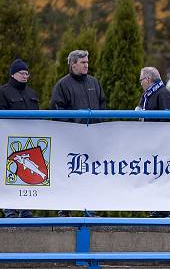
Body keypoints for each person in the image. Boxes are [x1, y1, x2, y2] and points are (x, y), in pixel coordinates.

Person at [51, 50, 106, 217]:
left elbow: (102, 105)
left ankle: (89, 208)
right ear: (73, 64)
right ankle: (64, 209)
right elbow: (57, 111)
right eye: (83, 62)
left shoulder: (94, 83)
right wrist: (71, 130)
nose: (86, 65)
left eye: (87, 62)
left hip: (92, 138)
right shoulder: (62, 85)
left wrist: (100, 128)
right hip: (71, 139)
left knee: (90, 174)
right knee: (68, 174)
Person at [0, 59, 38, 218]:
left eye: (27, 73)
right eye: (21, 73)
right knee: (9, 175)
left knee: (27, 176)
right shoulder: (3, 92)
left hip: (29, 142)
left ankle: (26, 208)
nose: (25, 76)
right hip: (9, 142)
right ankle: (9, 209)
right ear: (12, 74)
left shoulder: (32, 93)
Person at [137, 67, 170, 218]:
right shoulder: (147, 95)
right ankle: (155, 206)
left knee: (161, 175)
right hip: (149, 142)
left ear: (148, 79)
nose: (140, 84)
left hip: (160, 143)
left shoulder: (163, 93)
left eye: (141, 80)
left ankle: (163, 208)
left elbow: (167, 119)